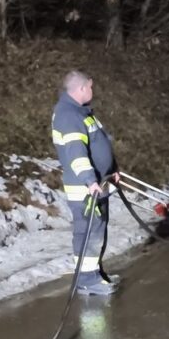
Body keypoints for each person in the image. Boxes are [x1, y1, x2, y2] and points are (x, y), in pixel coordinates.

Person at [51, 70, 119, 295]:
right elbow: (76, 153)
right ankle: (88, 280)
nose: (92, 90)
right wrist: (89, 180)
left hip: (98, 183)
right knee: (88, 232)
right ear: (81, 88)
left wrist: (112, 169)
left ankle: (95, 274)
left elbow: (99, 142)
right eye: (90, 87)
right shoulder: (68, 116)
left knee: (97, 229)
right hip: (85, 188)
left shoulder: (82, 113)